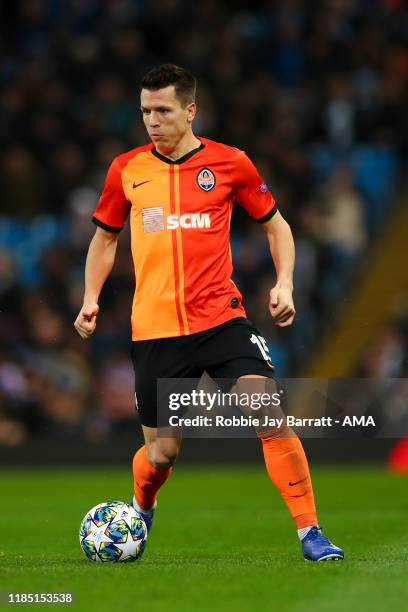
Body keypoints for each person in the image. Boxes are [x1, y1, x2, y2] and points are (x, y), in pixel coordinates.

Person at [74, 64, 344, 562]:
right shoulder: (126, 169)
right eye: (145, 112)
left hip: (221, 319)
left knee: (267, 412)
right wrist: (90, 297)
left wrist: (284, 284)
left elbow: (277, 225)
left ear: (190, 110)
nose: (152, 121)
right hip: (154, 330)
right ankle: (142, 505)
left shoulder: (230, 163)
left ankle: (311, 532)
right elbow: (104, 238)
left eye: (163, 110)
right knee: (162, 454)